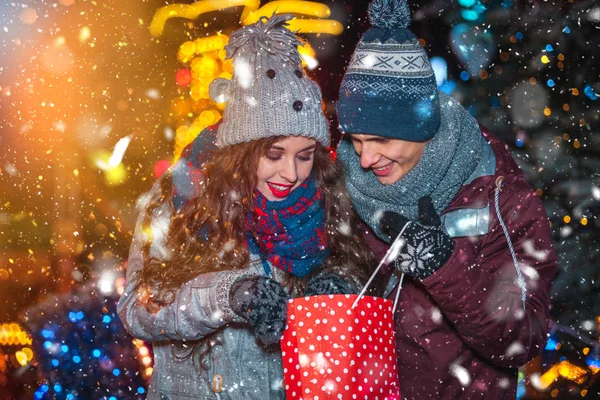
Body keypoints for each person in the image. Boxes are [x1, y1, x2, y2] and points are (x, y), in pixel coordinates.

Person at [117, 15, 373, 400]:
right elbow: (139, 309)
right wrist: (228, 296)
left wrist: (335, 295)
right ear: (241, 151)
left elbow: (361, 280)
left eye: (304, 156)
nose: (292, 173)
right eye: (273, 155)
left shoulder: (326, 198)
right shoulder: (182, 198)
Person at [335, 0, 558, 399]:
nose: (365, 159)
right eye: (356, 141)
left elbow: (522, 340)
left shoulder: (496, 193)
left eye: (381, 140)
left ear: (423, 127)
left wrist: (444, 269)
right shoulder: (345, 182)